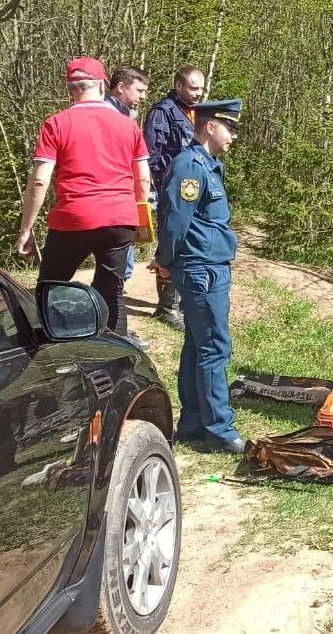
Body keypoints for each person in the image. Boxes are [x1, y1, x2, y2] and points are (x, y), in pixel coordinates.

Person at [16, 57, 150, 339]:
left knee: (51, 286)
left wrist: (27, 229)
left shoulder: (56, 124)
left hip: (73, 218)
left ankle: (49, 345)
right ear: (103, 86)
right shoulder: (129, 126)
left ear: (70, 89)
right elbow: (143, 179)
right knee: (111, 289)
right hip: (119, 218)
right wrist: (140, 219)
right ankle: (116, 352)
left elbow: (41, 179)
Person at [155, 98, 245, 453]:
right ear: (210, 126)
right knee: (214, 348)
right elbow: (176, 220)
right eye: (230, 128)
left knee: (197, 345)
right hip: (201, 268)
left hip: (208, 265)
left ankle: (193, 422)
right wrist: (165, 260)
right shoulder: (190, 166)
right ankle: (220, 429)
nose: (233, 136)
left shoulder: (207, 166)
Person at [144, 65, 207, 328]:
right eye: (193, 88)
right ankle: (166, 307)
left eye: (201, 88)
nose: (198, 93)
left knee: (189, 245)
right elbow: (152, 155)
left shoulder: (198, 113)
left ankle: (181, 302)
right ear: (179, 85)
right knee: (172, 245)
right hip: (170, 191)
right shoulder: (163, 112)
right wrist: (161, 187)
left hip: (194, 191)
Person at [106, 66, 151, 296]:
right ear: (121, 87)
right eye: (139, 90)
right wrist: (142, 203)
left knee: (119, 267)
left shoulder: (127, 116)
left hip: (123, 194)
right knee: (115, 268)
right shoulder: (106, 115)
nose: (143, 97)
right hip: (112, 197)